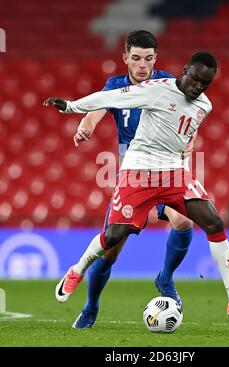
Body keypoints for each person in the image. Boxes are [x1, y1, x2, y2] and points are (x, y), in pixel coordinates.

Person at [44, 51, 229, 319]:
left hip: (173, 173)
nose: (198, 87)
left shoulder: (205, 105)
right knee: (113, 236)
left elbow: (181, 130)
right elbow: (108, 98)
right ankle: (77, 270)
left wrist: (188, 143)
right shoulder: (156, 91)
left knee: (213, 222)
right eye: (195, 80)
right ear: (185, 71)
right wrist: (70, 107)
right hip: (138, 171)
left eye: (205, 83)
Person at [65, 30, 195, 329]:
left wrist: (190, 140)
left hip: (167, 168)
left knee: (184, 221)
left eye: (148, 59)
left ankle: (165, 278)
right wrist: (86, 126)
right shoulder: (115, 86)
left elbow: (191, 116)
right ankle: (91, 306)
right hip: (133, 174)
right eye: (136, 58)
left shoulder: (169, 84)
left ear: (155, 59)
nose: (142, 65)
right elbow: (95, 110)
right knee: (111, 248)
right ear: (125, 58)